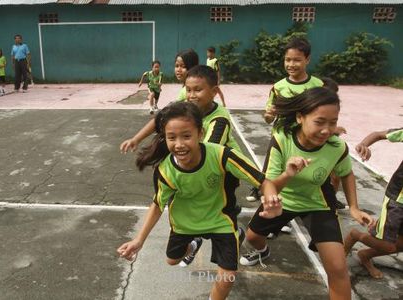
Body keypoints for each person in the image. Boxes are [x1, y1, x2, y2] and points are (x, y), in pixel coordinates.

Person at [118, 101, 306, 300]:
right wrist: (139, 240)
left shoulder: (222, 155)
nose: (179, 144)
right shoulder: (165, 170)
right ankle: (193, 244)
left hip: (220, 220)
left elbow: (262, 180)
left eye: (186, 136)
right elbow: (157, 205)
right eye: (171, 137)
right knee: (172, 260)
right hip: (185, 222)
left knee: (228, 276)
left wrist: (271, 198)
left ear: (200, 133)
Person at [239, 87, 374, 300]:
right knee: (252, 238)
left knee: (338, 268)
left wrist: (354, 207)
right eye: (320, 122)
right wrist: (287, 174)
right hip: (283, 200)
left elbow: (347, 173)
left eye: (333, 122)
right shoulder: (282, 139)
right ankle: (263, 251)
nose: (327, 130)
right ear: (300, 117)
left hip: (317, 203)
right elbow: (270, 185)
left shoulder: (337, 147)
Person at [250, 38, 346, 213]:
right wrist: (269, 115)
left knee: (319, 175)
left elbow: (328, 110)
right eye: (288, 59)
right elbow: (268, 118)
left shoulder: (318, 85)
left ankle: (328, 209)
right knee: (271, 176)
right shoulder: (278, 87)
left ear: (307, 60)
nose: (291, 64)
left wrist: (333, 128)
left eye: (297, 60)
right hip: (283, 139)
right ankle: (269, 212)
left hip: (310, 140)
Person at [344, 127, 403, 279]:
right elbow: (378, 134)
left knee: (400, 243)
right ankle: (354, 235)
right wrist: (364, 144)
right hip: (398, 199)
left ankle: (365, 255)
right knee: (388, 244)